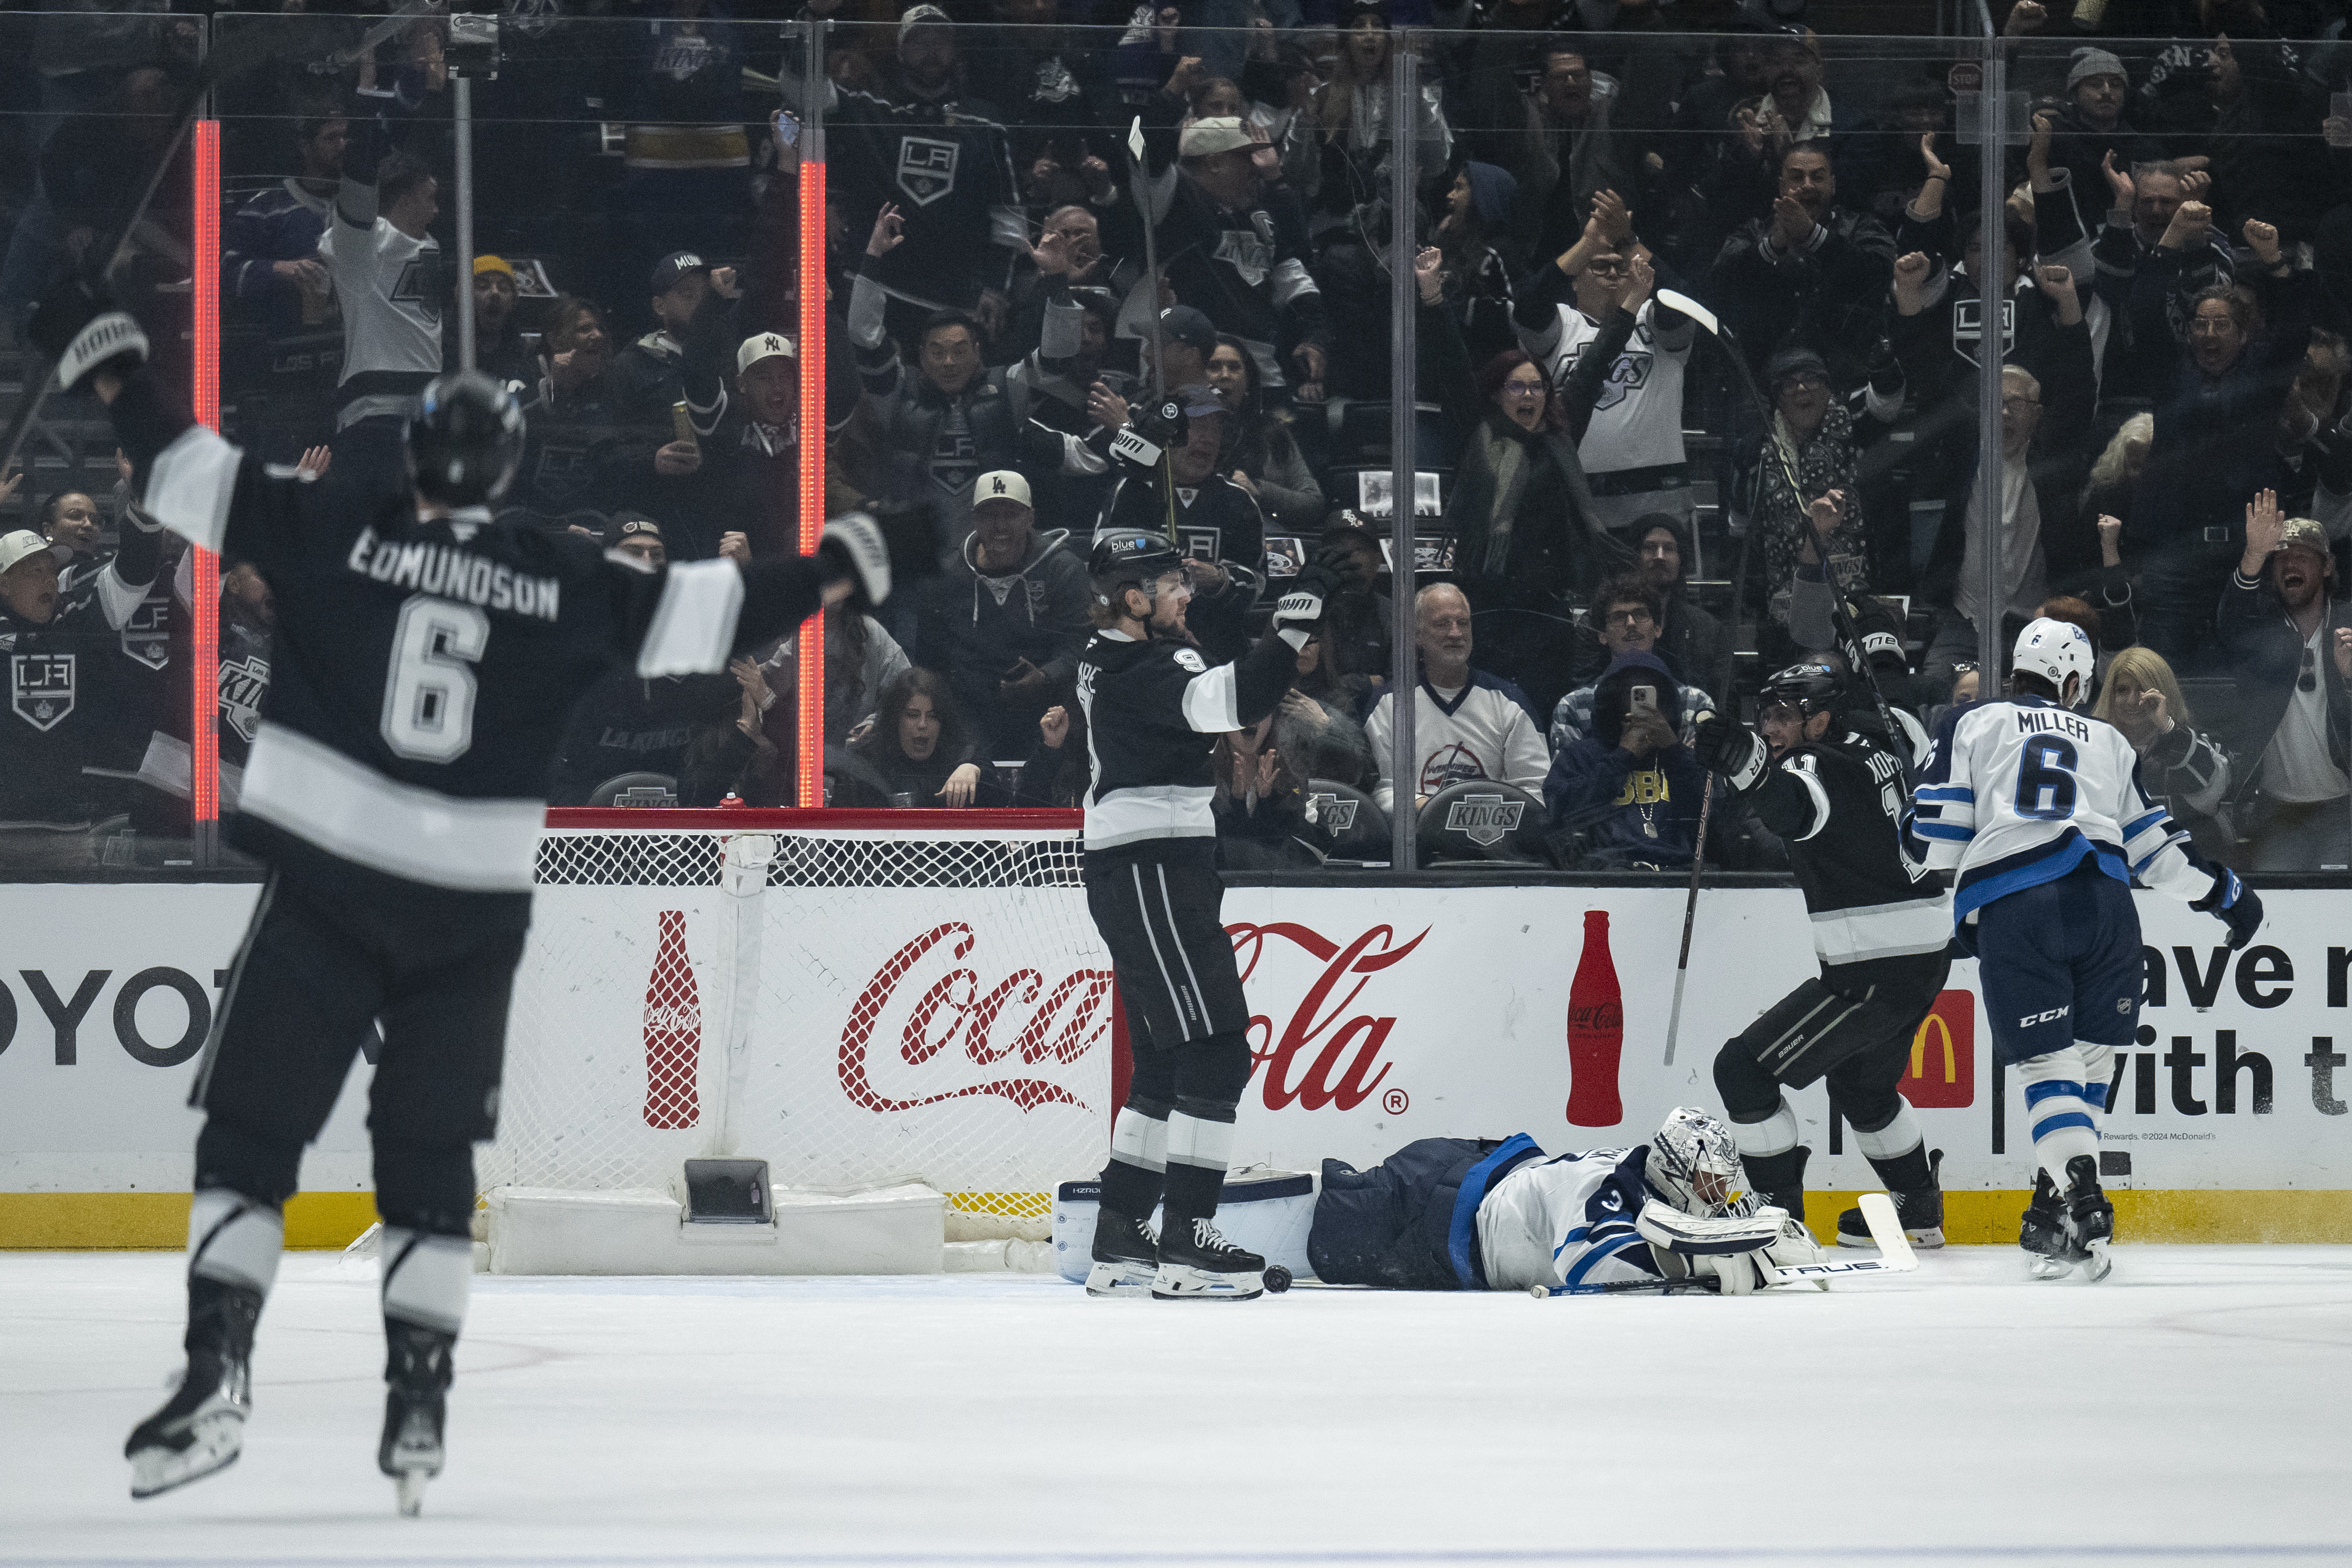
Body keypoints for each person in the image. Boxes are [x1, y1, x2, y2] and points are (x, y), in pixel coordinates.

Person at [32, 283, 935, 1507]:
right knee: (429, 1151)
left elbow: (183, 467)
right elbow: (710, 615)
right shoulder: (561, 574)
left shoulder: (334, 521)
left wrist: (112, 361)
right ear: (512, 472)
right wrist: (847, 564)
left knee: (251, 1134)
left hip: (330, 885)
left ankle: (216, 1374)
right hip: (470, 913)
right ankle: (418, 1400)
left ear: (411, 453)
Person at [1906, 617, 2264, 1282]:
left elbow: (1938, 841)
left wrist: (1907, 827)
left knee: (2047, 1068)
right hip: (2106, 903)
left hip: (2020, 901)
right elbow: (2157, 854)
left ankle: (2083, 1195)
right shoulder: (2107, 738)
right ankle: (2052, 1204)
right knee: (2092, 1063)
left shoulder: (1971, 720)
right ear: (2073, 681)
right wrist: (2226, 894)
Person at [1078, 530, 1337, 1301]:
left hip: (1141, 866)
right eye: (1170, 585)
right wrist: (1295, 619)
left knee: (1164, 1061)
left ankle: (1123, 1233)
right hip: (1154, 867)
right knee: (1218, 1055)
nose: (1184, 594)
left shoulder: (1107, 657)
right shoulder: (1148, 666)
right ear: (1134, 601)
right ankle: (1189, 1238)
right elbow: (1243, 697)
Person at [1690, 664, 1952, 1245]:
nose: (1771, 726)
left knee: (1743, 1071)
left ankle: (1778, 1223)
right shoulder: (1874, 749)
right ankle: (1916, 1207)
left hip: (1874, 966)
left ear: (1822, 720)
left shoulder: (1814, 763)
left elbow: (1793, 808)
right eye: (1765, 715)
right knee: (1863, 1088)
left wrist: (1743, 760)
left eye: (1784, 715)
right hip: (1922, 950)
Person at [1308, 1107, 1825, 1294]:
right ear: (1674, 1172)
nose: (1720, 1196)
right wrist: (1695, 1260)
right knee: (1332, 1227)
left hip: (1470, 1176)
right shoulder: (1598, 1191)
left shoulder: (1647, 1177)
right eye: (1711, 1185)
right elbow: (1583, 1266)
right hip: (1428, 1212)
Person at [914, 469, 1091, 760]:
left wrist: (1047, 676)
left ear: (1031, 518)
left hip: (1048, 709)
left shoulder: (1063, 570)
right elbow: (930, 660)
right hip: (968, 715)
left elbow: (1083, 646)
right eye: (989, 515)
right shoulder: (947, 576)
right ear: (974, 518)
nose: (1000, 527)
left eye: (1011, 514)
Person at [2217, 497, 2352, 870]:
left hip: (2346, 809)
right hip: (2276, 813)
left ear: (2328, 567)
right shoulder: (2260, 627)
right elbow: (2229, 621)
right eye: (2281, 558)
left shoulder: (2350, 625)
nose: (2290, 563)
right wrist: (2254, 554)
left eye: (2304, 557)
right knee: (2276, 906)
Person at [1362, 582, 1548, 817]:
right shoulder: (1390, 704)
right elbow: (1383, 791)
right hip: (1417, 849)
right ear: (1417, 634)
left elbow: (1536, 789)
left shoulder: (1510, 702)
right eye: (1442, 624)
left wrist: (1478, 818)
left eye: (1463, 623)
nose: (1456, 633)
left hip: (1493, 846)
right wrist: (1440, 815)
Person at [2090, 645, 2233, 863]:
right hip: (2117, 867)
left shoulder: (2192, 742)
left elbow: (2211, 792)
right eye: (2122, 690)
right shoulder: (2092, 745)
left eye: (2142, 691)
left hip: (2189, 865)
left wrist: (2168, 729)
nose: (2132, 701)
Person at [844, 667, 985, 808]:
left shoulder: (958, 754)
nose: (923, 725)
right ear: (896, 719)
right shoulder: (866, 763)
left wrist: (973, 769)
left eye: (932, 716)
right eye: (913, 715)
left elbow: (998, 792)